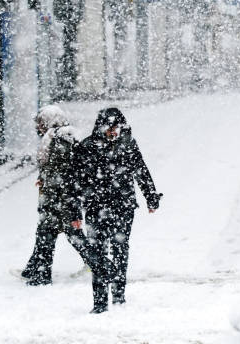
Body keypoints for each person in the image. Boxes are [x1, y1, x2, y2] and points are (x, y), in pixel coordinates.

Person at [78, 107, 162, 313]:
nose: (112, 131)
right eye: (109, 127)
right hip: (95, 208)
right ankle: (99, 301)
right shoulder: (88, 146)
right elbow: (76, 178)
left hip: (123, 207)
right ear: (101, 126)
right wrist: (77, 202)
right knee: (97, 251)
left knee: (120, 249)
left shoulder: (128, 144)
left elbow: (141, 171)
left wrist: (151, 197)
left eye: (116, 126)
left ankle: (118, 295)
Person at [21, 105, 114, 287]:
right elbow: (55, 169)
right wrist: (44, 179)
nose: (38, 127)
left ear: (50, 121)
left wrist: (65, 199)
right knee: (46, 234)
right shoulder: (55, 138)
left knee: (70, 236)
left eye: (40, 122)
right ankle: (36, 271)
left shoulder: (59, 140)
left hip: (61, 200)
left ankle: (103, 267)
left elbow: (66, 173)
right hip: (56, 198)